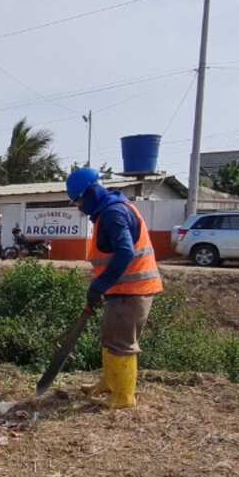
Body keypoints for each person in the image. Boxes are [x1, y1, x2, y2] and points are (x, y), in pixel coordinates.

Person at [66, 167, 163, 409]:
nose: (79, 208)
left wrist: (100, 285)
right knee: (111, 337)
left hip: (132, 291)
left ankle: (123, 397)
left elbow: (125, 252)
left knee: (121, 343)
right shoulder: (109, 210)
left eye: (78, 202)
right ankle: (110, 383)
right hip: (121, 290)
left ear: (90, 194)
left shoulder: (113, 214)